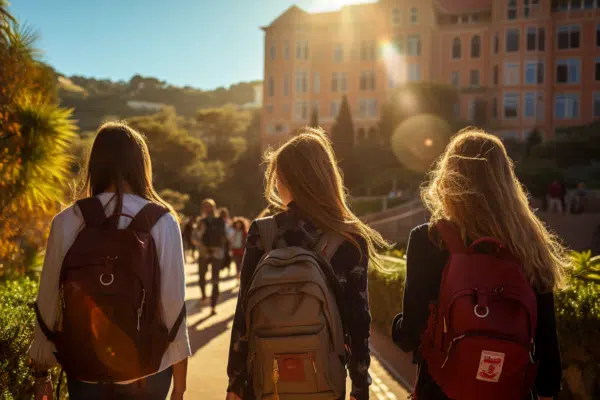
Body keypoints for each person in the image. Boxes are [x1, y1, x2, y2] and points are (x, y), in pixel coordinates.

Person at [392, 129, 567, 400]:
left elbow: (410, 335)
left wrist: (397, 327)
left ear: (449, 178)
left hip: (441, 390)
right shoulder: (529, 244)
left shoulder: (429, 239)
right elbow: (547, 345)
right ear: (506, 181)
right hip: (511, 390)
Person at [226, 128, 392, 400]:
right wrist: (360, 386)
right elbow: (358, 320)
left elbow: (244, 311)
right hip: (324, 377)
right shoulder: (349, 237)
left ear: (286, 180)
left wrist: (235, 383)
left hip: (268, 377)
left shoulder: (263, 232)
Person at [29, 122, 190, 400]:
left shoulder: (67, 220)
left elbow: (48, 301)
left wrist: (41, 372)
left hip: (84, 368)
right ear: (141, 164)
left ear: (95, 163)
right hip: (148, 370)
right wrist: (180, 385)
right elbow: (174, 307)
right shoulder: (162, 221)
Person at [192, 198, 227, 315]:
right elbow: (194, 238)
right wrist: (202, 245)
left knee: (215, 280)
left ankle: (213, 305)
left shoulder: (220, 220)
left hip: (216, 252)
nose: (208, 208)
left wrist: (223, 252)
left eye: (210, 206)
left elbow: (224, 237)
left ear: (214, 207)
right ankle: (203, 295)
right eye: (205, 206)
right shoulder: (200, 221)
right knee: (202, 276)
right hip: (203, 252)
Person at [219, 207, 235, 275]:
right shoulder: (220, 221)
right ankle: (224, 268)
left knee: (227, 256)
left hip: (226, 242)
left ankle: (227, 268)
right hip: (222, 242)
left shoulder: (228, 222)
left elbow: (231, 232)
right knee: (225, 256)